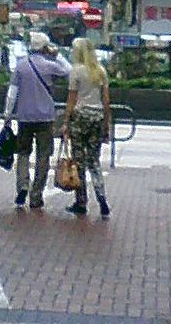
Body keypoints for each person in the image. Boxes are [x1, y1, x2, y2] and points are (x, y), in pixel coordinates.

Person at [4, 31, 71, 209]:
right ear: (45, 47)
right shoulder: (50, 65)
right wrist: (58, 55)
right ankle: (36, 194)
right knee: (43, 155)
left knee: (23, 153)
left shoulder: (20, 65)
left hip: (24, 117)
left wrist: (7, 114)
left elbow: (12, 92)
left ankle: (22, 186)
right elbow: (68, 71)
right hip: (45, 117)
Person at [61, 37, 111, 219]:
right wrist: (107, 125)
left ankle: (81, 202)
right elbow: (106, 101)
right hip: (97, 117)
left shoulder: (76, 71)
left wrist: (66, 122)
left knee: (79, 160)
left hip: (80, 117)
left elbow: (72, 100)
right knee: (94, 161)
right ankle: (102, 199)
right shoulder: (100, 71)